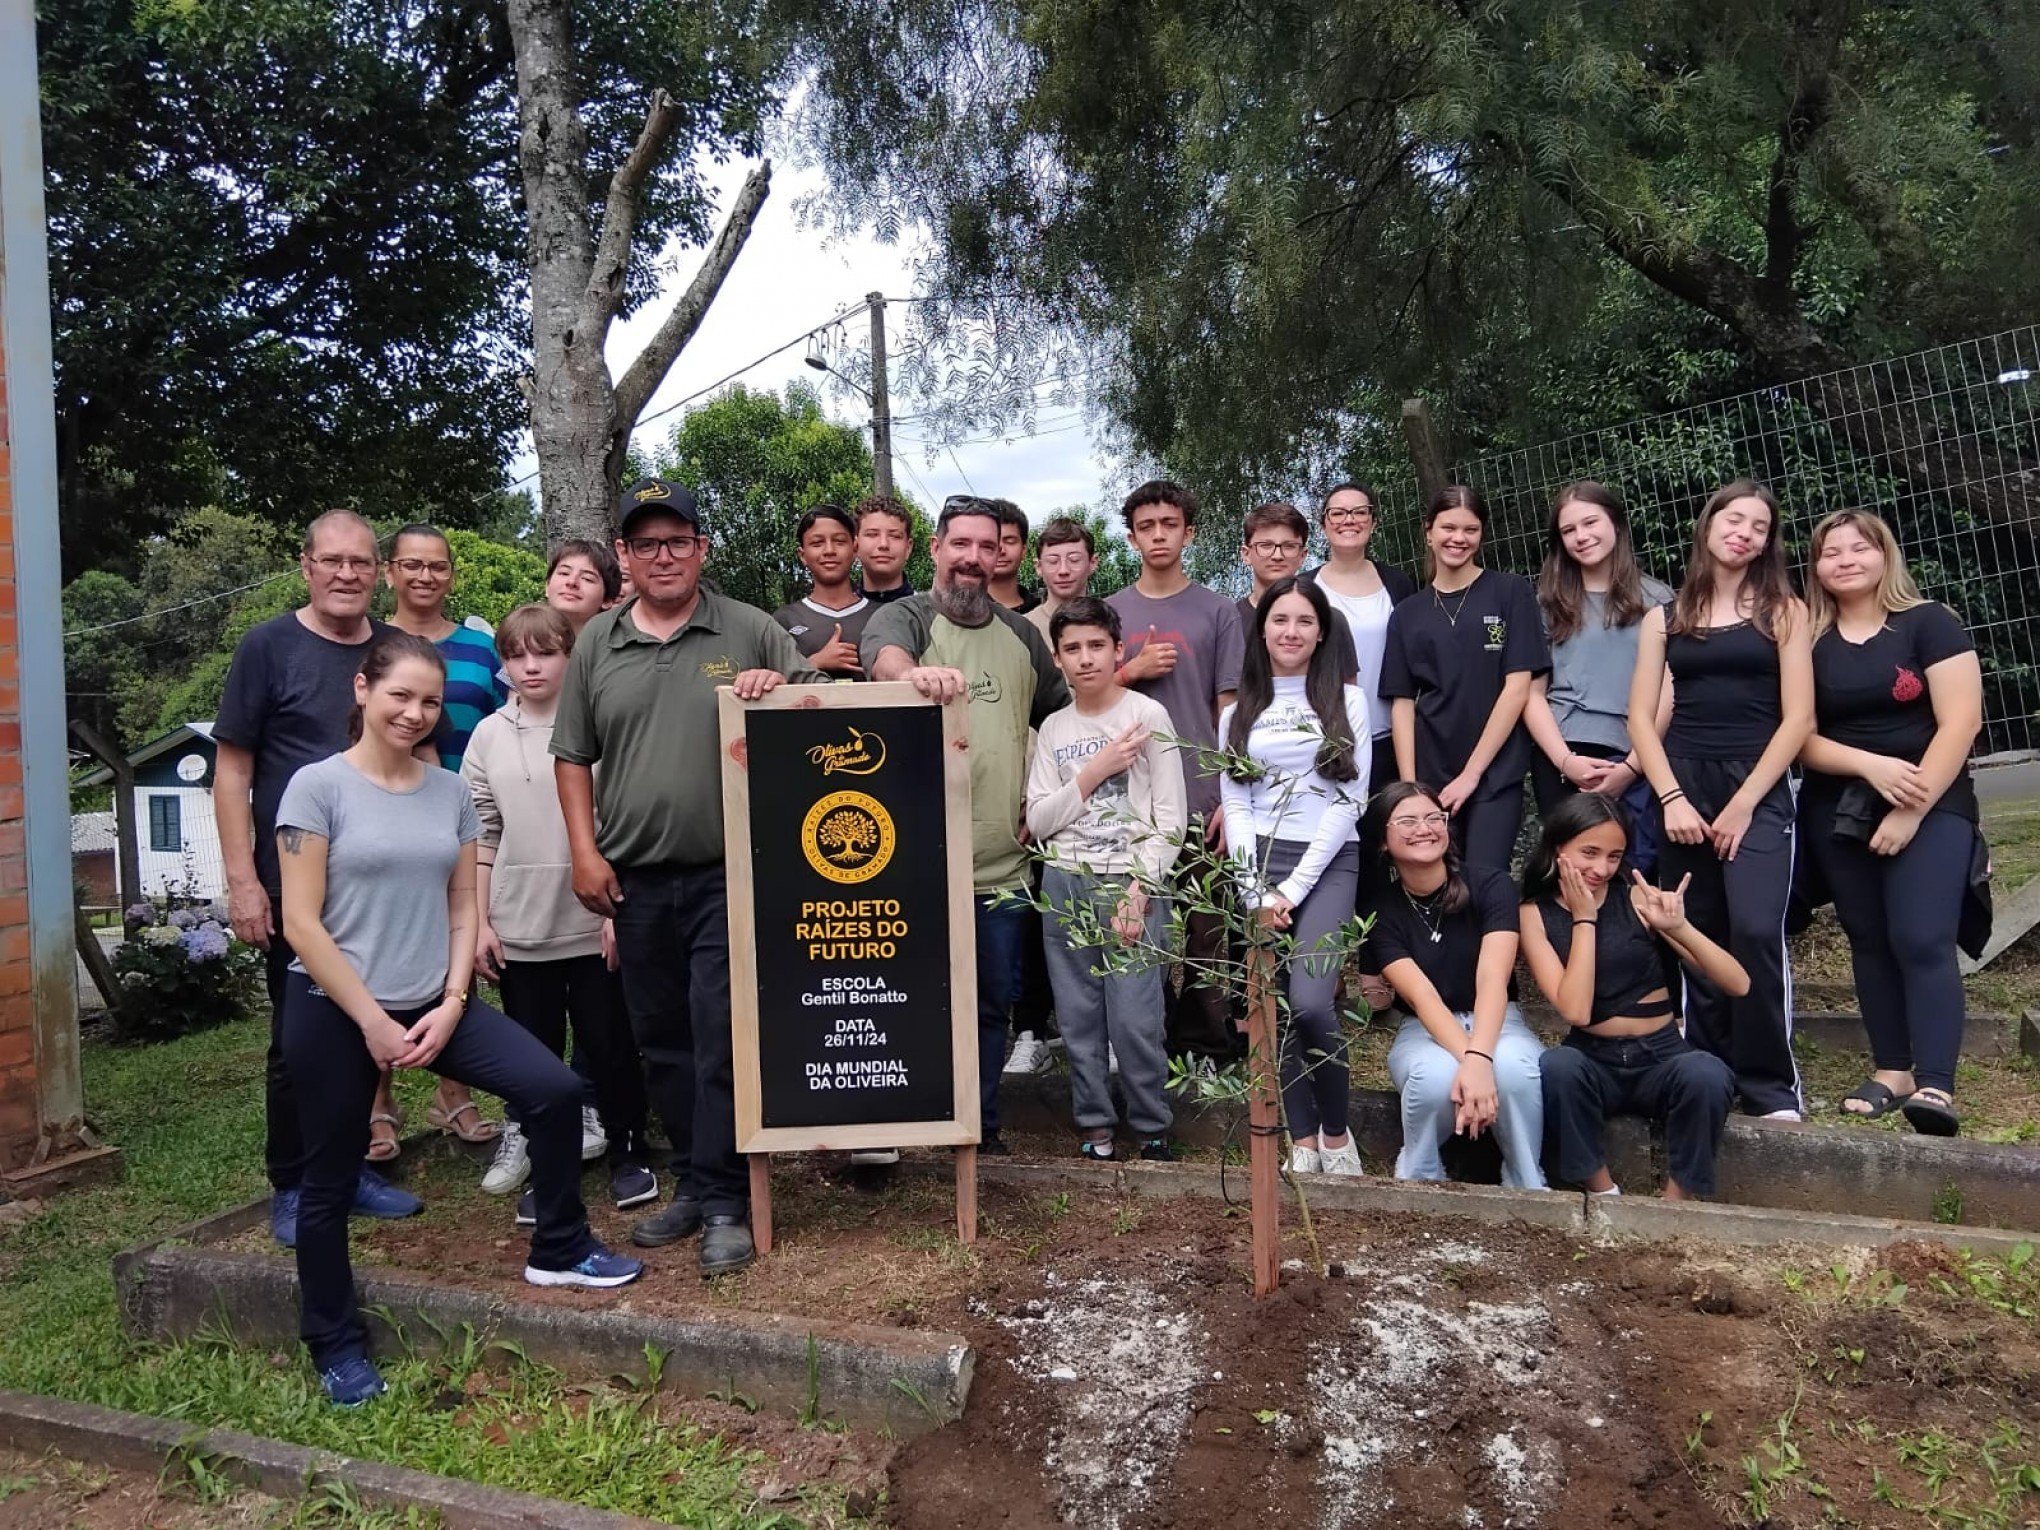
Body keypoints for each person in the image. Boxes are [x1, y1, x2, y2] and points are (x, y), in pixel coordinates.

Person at [277, 632, 641, 1407]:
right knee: (329, 1182)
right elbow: (302, 924)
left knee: (552, 1088)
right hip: (334, 1005)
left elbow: (459, 903)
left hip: (433, 1000)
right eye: (400, 695)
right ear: (363, 691)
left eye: (430, 701)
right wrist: (374, 1023)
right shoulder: (317, 788)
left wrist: (450, 1004)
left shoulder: (447, 792)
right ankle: (335, 1344)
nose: (415, 713)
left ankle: (560, 1245)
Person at [554, 477, 826, 1275]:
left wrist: (782, 689)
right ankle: (694, 1183)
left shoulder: (747, 627)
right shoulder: (598, 642)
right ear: (624, 557)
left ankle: (727, 1200)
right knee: (662, 1041)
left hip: (729, 876)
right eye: (646, 544)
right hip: (633, 879)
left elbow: (826, 706)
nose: (662, 555)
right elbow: (573, 755)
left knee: (720, 1037)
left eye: (677, 541)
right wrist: (584, 850)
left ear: (702, 549)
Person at [213, 509, 423, 1248]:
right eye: (331, 560)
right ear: (305, 565)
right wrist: (244, 880)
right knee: (297, 1040)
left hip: (378, 887)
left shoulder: (396, 652)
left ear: (379, 572)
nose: (345, 574)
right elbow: (232, 769)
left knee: (367, 1025)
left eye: (360, 562)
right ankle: (295, 1182)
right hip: (294, 886)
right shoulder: (268, 647)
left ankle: (347, 1167)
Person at [865, 496, 1070, 1153]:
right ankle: (899, 1121)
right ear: (936, 548)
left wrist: (1050, 796)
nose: (974, 559)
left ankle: (979, 1127)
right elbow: (884, 658)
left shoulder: (1022, 636)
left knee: (989, 1006)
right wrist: (913, 675)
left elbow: (1062, 722)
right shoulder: (905, 616)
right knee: (905, 1000)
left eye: (989, 546)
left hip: (1001, 868)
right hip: (909, 868)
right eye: (962, 545)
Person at [1628, 479, 1813, 1120]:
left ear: (1768, 543)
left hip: (1756, 788)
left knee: (1757, 930)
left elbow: (1799, 722)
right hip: (1683, 787)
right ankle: (1710, 1073)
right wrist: (1672, 798)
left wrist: (1743, 804)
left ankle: (1770, 1085)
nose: (1745, 532)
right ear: (1709, 527)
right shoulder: (1665, 617)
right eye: (1734, 520)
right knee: (1693, 932)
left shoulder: (1785, 611)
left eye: (1759, 527)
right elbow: (1639, 722)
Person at [463, 604, 656, 1212]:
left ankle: (629, 1151)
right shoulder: (487, 735)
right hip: (521, 924)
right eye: (517, 655)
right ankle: (546, 1165)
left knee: (610, 1044)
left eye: (544, 652)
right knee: (533, 1053)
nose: (531, 666)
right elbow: (483, 835)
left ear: (570, 656)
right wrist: (481, 923)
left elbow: (622, 821)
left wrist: (612, 913)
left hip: (594, 916)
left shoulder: (600, 723)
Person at [1800, 510, 1985, 1135]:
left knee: (1920, 937)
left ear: (1886, 557)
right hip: (1839, 806)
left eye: (1860, 548)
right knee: (1869, 937)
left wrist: (1910, 806)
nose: (1846, 559)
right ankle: (1893, 1070)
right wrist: (1870, 767)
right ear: (1816, 566)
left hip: (1930, 800)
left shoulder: (1929, 624)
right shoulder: (1805, 638)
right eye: (1831, 552)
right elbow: (1799, 736)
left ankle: (1935, 1084)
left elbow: (1961, 722)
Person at [1218, 578, 1370, 1176]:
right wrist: (1255, 890)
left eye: (1305, 622)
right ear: (1262, 629)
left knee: (1310, 1001)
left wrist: (1291, 890)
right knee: (1269, 1003)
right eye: (1280, 620)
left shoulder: (1347, 702)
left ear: (1322, 632)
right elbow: (1236, 807)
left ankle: (1337, 1133)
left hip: (1328, 862)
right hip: (1260, 866)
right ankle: (1301, 1138)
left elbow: (1348, 801)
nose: (1291, 632)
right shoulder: (1238, 712)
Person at [1024, 596, 1186, 1160]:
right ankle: (1094, 1124)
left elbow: (1170, 819)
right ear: (1058, 658)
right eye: (1073, 649)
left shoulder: (1147, 717)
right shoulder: (1053, 729)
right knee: (1078, 1017)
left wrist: (1140, 891)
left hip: (1130, 882)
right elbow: (1040, 820)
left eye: (1097, 646)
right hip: (1066, 882)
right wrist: (1095, 771)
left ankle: (1151, 1125)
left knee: (1136, 1016)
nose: (1086, 658)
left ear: (1119, 650)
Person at [1519, 796, 1742, 1199]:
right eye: (1589, 852)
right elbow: (1574, 1010)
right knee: (1558, 1066)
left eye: (1613, 856)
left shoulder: (1638, 899)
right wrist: (1584, 918)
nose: (1601, 868)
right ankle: (1604, 1194)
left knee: (1707, 1074)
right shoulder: (1534, 914)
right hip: (1593, 1056)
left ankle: (1677, 1202)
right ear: (1558, 847)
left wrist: (1680, 928)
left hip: (1661, 1054)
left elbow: (1738, 983)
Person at [1107, 479, 1246, 1061]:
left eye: (1169, 524)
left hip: (1200, 796)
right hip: (1126, 801)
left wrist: (1228, 798)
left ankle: (1206, 1043)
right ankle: (1144, 1041)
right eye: (1146, 526)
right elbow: (1086, 699)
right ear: (1132, 535)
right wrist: (1131, 669)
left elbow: (1230, 710)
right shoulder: (1112, 611)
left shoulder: (1219, 611)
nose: (1158, 535)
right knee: (1138, 925)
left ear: (1189, 532)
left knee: (1206, 930)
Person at [377, 521, 503, 1152]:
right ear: (389, 571)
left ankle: (454, 1093)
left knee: (459, 940)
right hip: (382, 819)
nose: (426, 576)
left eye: (439, 566)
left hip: (463, 815)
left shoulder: (482, 649)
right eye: (413, 565)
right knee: (377, 947)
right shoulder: (368, 645)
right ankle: (377, 1100)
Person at [1366, 781, 1547, 1189]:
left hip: (1498, 1016)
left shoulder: (1492, 885)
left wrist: (1480, 1058)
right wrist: (1475, 1064)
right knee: (1432, 1077)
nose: (1424, 828)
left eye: (1434, 818)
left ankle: (1527, 1180)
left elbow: (1492, 978)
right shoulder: (1381, 909)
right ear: (1383, 841)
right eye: (1407, 821)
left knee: (1515, 1069)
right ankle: (1420, 1174)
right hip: (1424, 1026)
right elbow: (1421, 996)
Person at [1380, 486, 1548, 872]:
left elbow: (1518, 686)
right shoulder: (1406, 614)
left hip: (1494, 773)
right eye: (1448, 528)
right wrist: (1412, 789)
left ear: (1482, 534)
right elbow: (1402, 703)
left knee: (1486, 876)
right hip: (1431, 772)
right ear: (1428, 532)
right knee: (1440, 883)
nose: (1459, 538)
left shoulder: (1510, 592)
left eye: (1470, 529)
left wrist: (1472, 774)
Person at [1523, 482, 1674, 880]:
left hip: (1636, 755)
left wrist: (1633, 767)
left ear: (1616, 524)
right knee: (1569, 873)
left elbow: (1669, 694)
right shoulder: (1544, 603)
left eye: (1590, 522)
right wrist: (1565, 761)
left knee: (1631, 871)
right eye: (1569, 530)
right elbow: (1532, 694)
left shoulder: (1658, 600)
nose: (1581, 536)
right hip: (1562, 757)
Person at [1304, 483, 1416, 793]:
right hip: (1321, 738)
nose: (1348, 520)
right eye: (1338, 513)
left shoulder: (1398, 585)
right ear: (1324, 523)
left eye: (1359, 512)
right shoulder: (1303, 589)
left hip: (1387, 739)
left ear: (1373, 521)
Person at [1237, 501, 1359, 679]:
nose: (1277, 555)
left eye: (1289, 546)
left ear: (1303, 556)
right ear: (1246, 554)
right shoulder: (1229, 622)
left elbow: (1348, 692)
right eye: (1266, 545)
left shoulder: (1331, 620)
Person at [771, 504, 871, 676]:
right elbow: (770, 681)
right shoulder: (783, 620)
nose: (829, 551)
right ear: (803, 555)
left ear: (855, 548)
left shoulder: (883, 615)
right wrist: (815, 662)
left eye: (839, 541)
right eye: (817, 543)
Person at [1025, 516, 1101, 643]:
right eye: (1053, 561)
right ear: (1039, 567)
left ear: (1093, 562)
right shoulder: (1023, 629)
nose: (1063, 571)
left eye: (1074, 560)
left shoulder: (1112, 621)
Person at [545, 539, 622, 633]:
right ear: (547, 586)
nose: (572, 582)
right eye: (564, 573)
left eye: (587, 578)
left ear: (607, 599)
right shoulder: (523, 640)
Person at [854, 494, 918, 604]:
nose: (883, 544)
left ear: (908, 547)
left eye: (895, 536)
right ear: (855, 545)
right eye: (872, 534)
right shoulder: (842, 615)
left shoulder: (928, 615)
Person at [988, 499, 1042, 614]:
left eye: (1010, 541)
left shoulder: (1042, 614)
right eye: (991, 542)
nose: (1000, 550)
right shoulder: (962, 612)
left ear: (1024, 550)